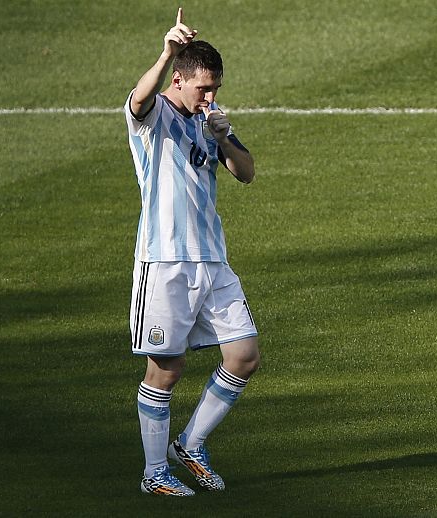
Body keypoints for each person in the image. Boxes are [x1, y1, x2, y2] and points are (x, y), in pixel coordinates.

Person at [124, 6, 260, 497]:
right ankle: (154, 472)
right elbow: (138, 99)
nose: (211, 96)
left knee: (244, 355)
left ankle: (192, 443)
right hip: (164, 262)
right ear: (178, 80)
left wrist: (223, 134)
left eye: (216, 88)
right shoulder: (154, 116)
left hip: (212, 260)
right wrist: (165, 52)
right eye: (204, 87)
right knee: (166, 368)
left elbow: (246, 172)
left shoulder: (210, 121)